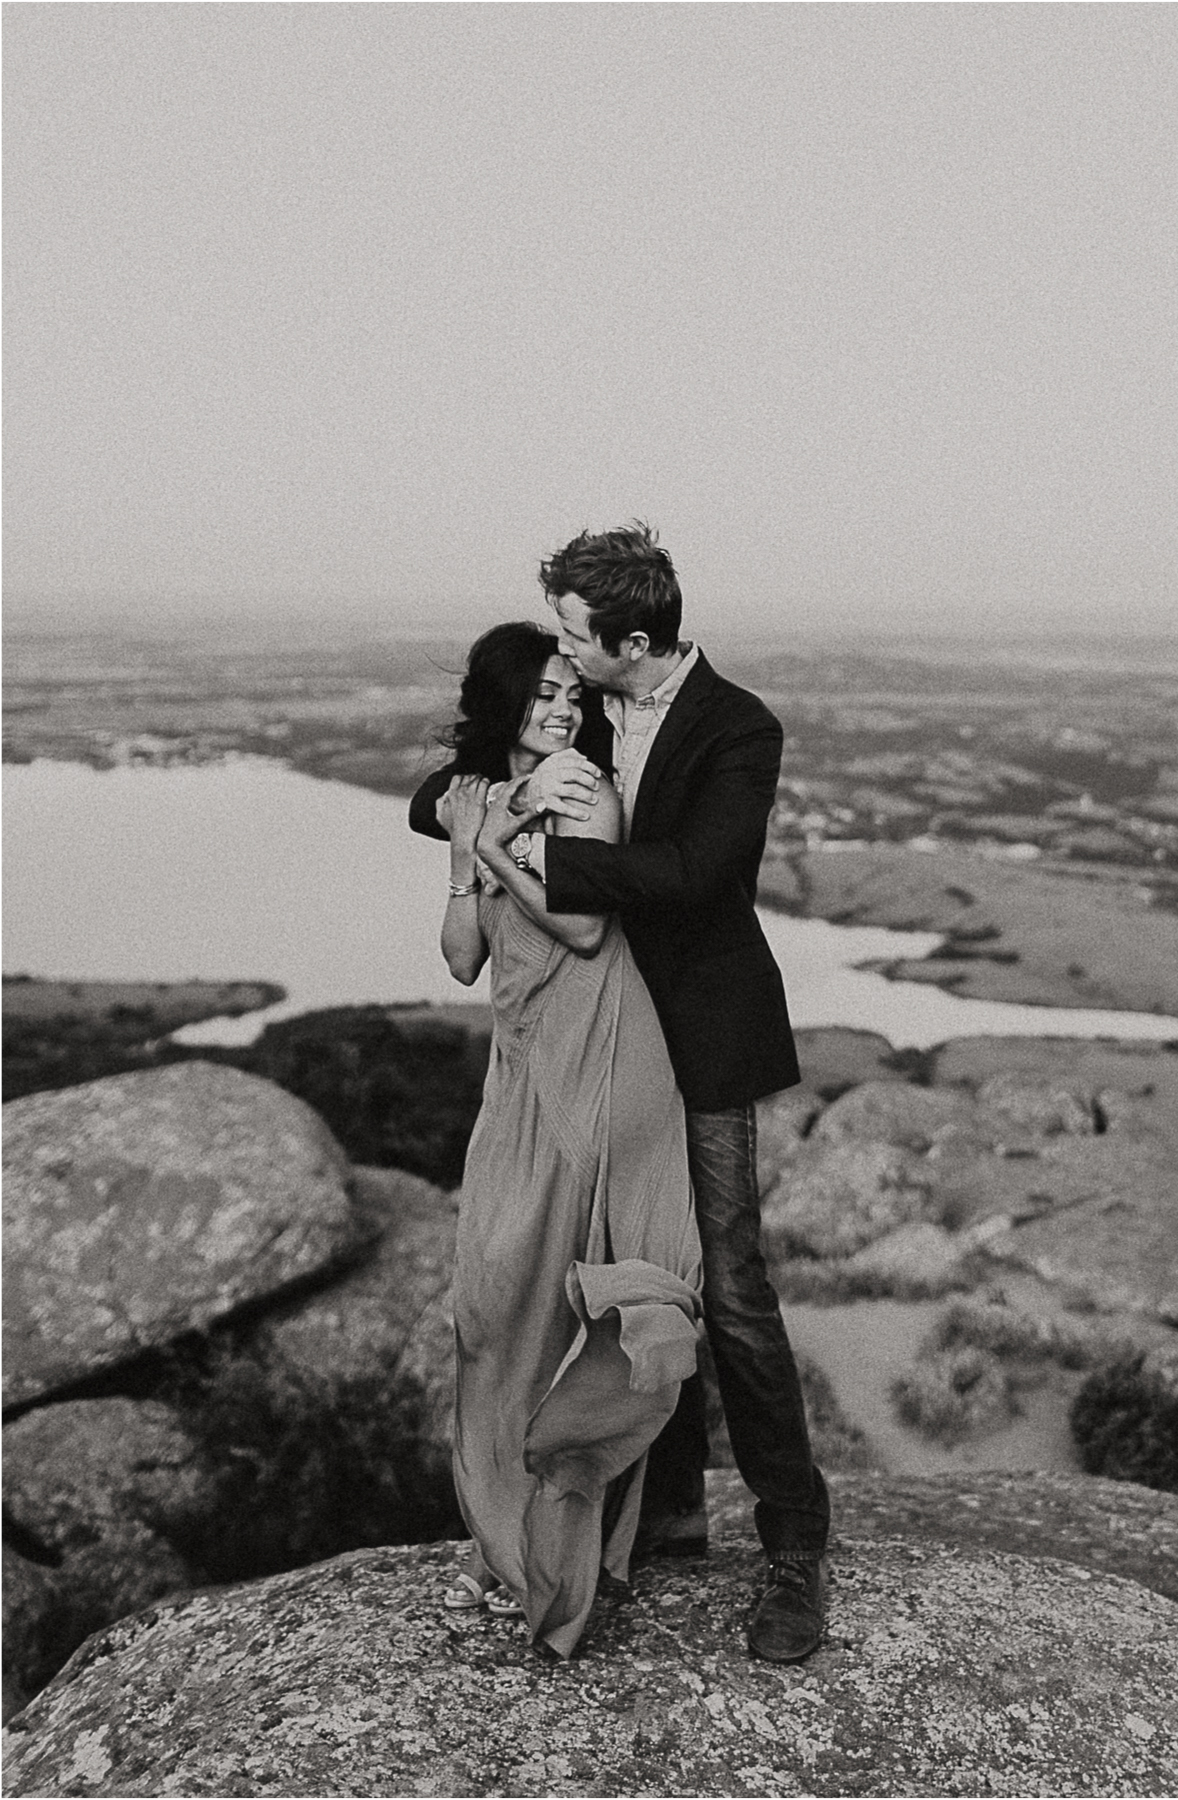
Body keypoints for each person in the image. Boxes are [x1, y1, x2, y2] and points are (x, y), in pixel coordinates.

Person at [410, 524, 831, 1665]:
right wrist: (482, 804)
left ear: (629, 639)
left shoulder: (740, 727)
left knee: (729, 1288)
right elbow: (453, 775)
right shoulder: (584, 706)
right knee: (618, 1264)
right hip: (595, 1037)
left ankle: (796, 1545)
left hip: (703, 1038)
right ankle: (670, 1513)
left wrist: (507, 846)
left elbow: (695, 876)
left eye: (570, 633)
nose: (560, 653)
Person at [430, 621, 704, 1660]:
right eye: (540, 695)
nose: (558, 708)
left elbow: (587, 926)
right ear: (503, 703)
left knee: (567, 1303)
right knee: (491, 1300)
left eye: (565, 693)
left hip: (598, 1053)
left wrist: (491, 844)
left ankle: (563, 1562)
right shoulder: (487, 798)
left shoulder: (583, 788)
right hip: (522, 1063)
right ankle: (512, 1539)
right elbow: (462, 957)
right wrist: (466, 857)